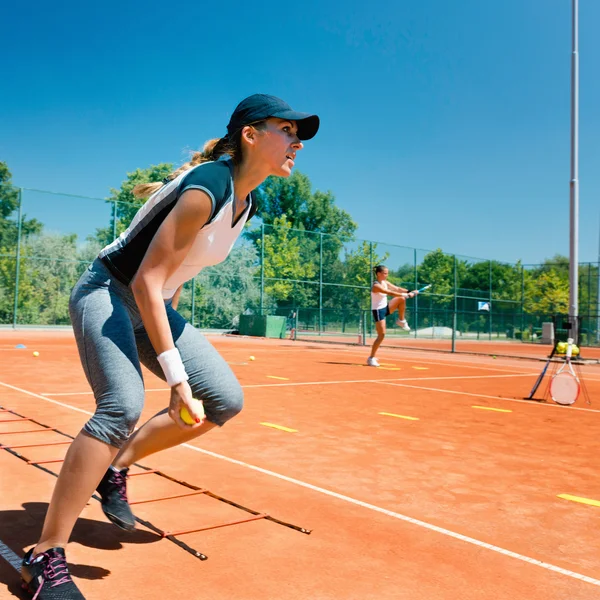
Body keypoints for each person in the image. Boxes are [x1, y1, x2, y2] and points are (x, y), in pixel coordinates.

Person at [21, 94, 319, 599]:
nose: (297, 144)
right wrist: (176, 379)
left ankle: (113, 469)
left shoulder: (246, 203)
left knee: (224, 399)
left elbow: (177, 274)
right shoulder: (209, 187)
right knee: (120, 407)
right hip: (108, 291)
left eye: (300, 135)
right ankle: (45, 556)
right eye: (287, 131)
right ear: (251, 134)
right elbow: (145, 279)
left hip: (149, 300)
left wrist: (171, 341)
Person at [367, 265, 418, 367]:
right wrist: (407, 295)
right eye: (385, 273)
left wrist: (410, 291)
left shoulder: (385, 282)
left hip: (386, 307)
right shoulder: (376, 286)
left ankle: (401, 320)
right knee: (381, 335)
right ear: (378, 274)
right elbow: (389, 292)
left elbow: (397, 288)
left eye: (387, 273)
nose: (387, 275)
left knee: (401, 300)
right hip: (378, 311)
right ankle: (371, 358)